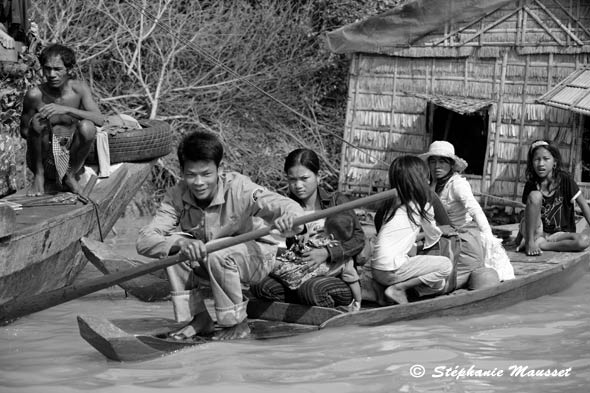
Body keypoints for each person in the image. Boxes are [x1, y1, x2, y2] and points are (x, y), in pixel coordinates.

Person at [136, 130, 305, 341]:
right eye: (191, 175)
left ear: (219, 170)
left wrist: (289, 217)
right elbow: (145, 240)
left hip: (256, 259)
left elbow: (287, 205)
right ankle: (199, 319)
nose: (198, 182)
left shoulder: (239, 187)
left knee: (218, 251)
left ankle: (236, 324)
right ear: (182, 172)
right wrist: (180, 243)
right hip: (212, 261)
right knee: (174, 249)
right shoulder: (176, 195)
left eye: (206, 174)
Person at [251, 148, 366, 311]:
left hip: (334, 276)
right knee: (259, 285)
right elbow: (281, 248)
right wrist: (279, 255)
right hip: (297, 273)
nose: (298, 185)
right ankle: (301, 299)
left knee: (313, 290)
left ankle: (324, 304)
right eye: (292, 179)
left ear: (318, 177)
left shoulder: (336, 201)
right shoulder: (284, 207)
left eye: (304, 178)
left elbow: (359, 239)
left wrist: (327, 252)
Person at [20, 43, 104, 196]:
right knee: (38, 121)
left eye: (58, 69)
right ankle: (39, 177)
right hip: (43, 158)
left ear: (69, 70)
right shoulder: (35, 95)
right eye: (47, 68)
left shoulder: (78, 89)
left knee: (88, 127)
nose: (51, 74)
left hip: (71, 157)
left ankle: (69, 176)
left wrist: (67, 110)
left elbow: (99, 119)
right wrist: (48, 137)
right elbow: (25, 132)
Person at [371, 155, 452, 305]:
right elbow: (433, 235)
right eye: (426, 178)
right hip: (391, 271)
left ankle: (389, 290)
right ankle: (398, 289)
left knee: (437, 283)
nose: (428, 181)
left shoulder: (390, 204)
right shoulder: (423, 203)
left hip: (377, 269)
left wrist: (417, 236)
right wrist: (443, 231)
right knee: (445, 265)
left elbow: (400, 237)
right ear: (419, 181)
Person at [420, 140, 492, 289]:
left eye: (442, 162)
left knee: (439, 281)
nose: (437, 166)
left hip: (462, 239)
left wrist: (489, 237)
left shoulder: (457, 184)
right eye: (433, 162)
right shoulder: (430, 185)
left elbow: (475, 209)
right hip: (439, 236)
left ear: (451, 164)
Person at [517, 140, 590, 256]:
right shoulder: (531, 184)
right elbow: (527, 215)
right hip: (537, 232)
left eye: (546, 159)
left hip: (559, 234)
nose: (541, 164)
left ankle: (543, 245)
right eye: (537, 159)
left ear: (554, 162)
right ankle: (531, 243)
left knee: (584, 240)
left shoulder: (565, 180)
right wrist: (519, 238)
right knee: (535, 195)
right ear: (532, 163)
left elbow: (584, 206)